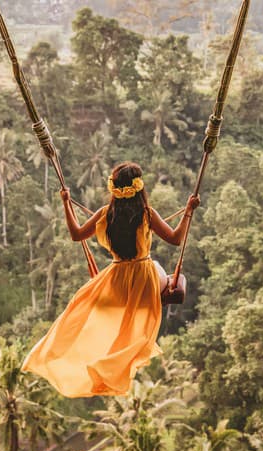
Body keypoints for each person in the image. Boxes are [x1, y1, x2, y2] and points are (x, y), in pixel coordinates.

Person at [22, 161, 200, 397]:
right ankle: (116, 354)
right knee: (165, 275)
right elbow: (177, 239)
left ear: (114, 188)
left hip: (115, 280)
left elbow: (76, 234)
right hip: (145, 279)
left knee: (80, 307)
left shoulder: (105, 214)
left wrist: (66, 204)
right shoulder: (147, 214)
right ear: (140, 188)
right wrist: (188, 210)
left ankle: (68, 355)